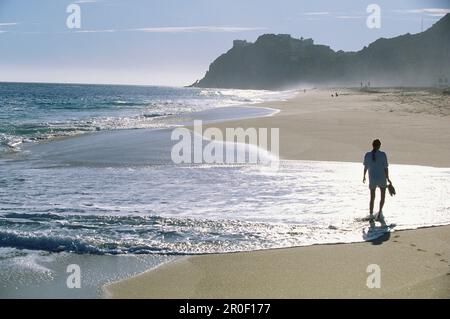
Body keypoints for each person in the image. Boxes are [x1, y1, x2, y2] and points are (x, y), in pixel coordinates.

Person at [363, 139, 391, 222]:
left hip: (372, 178)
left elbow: (366, 167)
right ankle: (379, 213)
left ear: (372, 145)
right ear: (379, 146)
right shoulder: (383, 154)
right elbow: (386, 167)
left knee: (372, 197)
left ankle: (371, 214)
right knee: (382, 197)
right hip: (382, 178)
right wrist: (388, 178)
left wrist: (364, 176)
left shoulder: (367, 155)